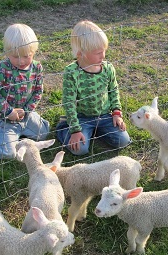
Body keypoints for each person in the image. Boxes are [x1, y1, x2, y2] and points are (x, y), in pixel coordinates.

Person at [56, 20, 131, 156]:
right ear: (80, 53)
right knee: (80, 149)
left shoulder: (108, 68)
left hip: (104, 116)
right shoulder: (72, 72)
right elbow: (69, 102)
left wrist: (116, 112)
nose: (103, 56)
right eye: (98, 53)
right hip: (81, 117)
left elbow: (113, 90)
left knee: (123, 140)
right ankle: (64, 127)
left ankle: (94, 132)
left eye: (104, 51)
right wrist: (75, 130)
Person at [0, 23, 49, 159]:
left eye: (26, 56)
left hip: (25, 115)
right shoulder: (2, 68)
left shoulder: (37, 67)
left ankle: (16, 135)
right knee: (8, 153)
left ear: (34, 51)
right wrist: (9, 112)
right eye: (15, 56)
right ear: (7, 52)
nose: (21, 61)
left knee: (43, 133)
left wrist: (26, 110)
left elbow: (38, 91)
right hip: (4, 119)